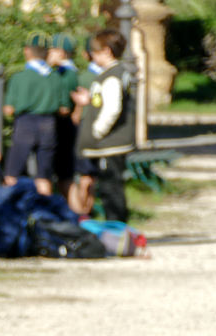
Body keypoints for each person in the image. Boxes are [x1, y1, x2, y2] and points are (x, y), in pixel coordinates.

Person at [73, 29, 135, 223]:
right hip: (109, 144)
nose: (93, 56)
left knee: (111, 188)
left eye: (95, 52)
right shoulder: (113, 73)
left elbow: (112, 108)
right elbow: (104, 101)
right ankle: (115, 226)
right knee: (110, 187)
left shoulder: (112, 76)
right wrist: (89, 99)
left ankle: (117, 227)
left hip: (110, 143)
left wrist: (97, 131)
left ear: (106, 51)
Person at [3, 31, 61, 196]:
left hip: (26, 123)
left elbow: (9, 109)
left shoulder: (20, 77)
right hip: (49, 123)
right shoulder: (55, 77)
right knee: (44, 175)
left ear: (27, 51)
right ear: (47, 52)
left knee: (13, 172)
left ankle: (8, 209)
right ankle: (45, 213)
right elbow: (62, 107)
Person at [48, 33, 80, 198]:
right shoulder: (65, 71)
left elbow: (66, 107)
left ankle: (77, 214)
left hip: (64, 126)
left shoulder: (66, 73)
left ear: (60, 52)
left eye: (50, 51)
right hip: (65, 126)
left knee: (65, 175)